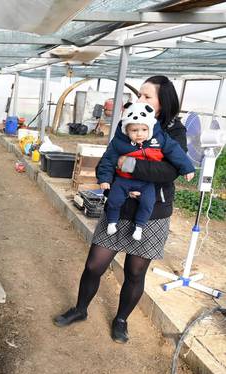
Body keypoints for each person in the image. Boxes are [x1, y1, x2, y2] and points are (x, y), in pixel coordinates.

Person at [54, 75, 192, 344]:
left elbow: (169, 171)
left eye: (146, 96)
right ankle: (80, 309)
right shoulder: (126, 122)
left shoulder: (174, 131)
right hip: (120, 205)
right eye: (140, 95)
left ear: (162, 102)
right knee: (95, 264)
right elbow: (109, 157)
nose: (139, 100)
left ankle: (120, 320)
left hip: (153, 212)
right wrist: (116, 174)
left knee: (135, 271)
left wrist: (126, 166)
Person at [97, 102, 195, 241]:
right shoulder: (119, 142)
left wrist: (187, 167)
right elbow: (107, 160)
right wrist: (105, 178)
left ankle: (139, 226)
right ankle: (112, 222)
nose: (139, 134)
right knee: (114, 199)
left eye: (144, 130)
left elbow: (175, 151)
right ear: (126, 130)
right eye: (134, 130)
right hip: (123, 180)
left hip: (146, 182)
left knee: (148, 202)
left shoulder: (160, 138)